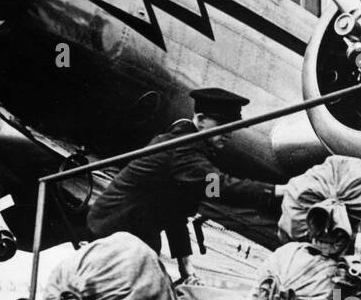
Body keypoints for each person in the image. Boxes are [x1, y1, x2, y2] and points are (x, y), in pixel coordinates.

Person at [87, 87, 284, 280]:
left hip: (128, 231)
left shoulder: (186, 146)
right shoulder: (183, 151)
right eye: (222, 124)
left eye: (232, 126)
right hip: (116, 232)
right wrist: (276, 191)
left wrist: (185, 267)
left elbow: (175, 212)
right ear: (200, 119)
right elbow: (220, 187)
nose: (228, 132)